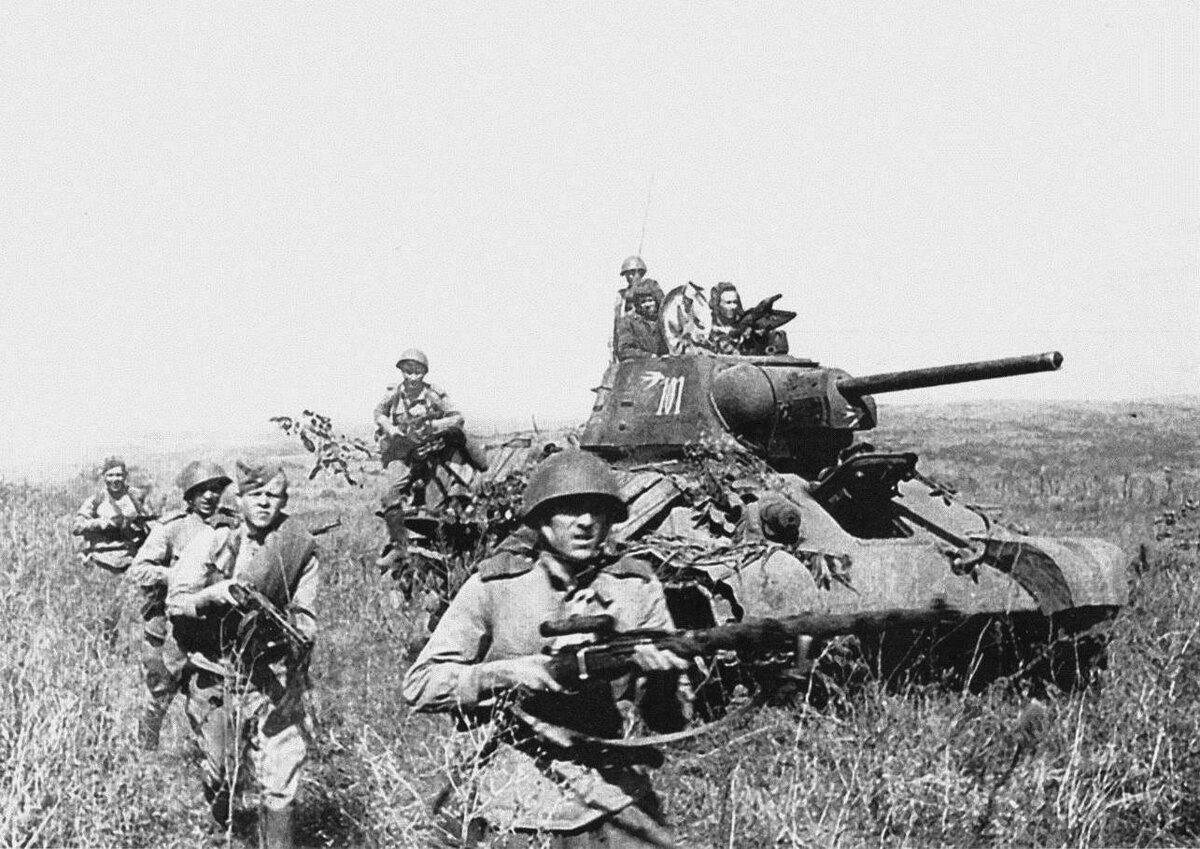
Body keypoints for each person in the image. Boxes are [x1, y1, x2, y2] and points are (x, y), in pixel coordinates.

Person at [403, 449, 689, 847]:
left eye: (597, 510)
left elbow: (669, 721)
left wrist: (663, 678)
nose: (586, 522)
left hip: (612, 791)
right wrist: (503, 673)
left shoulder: (636, 588)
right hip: (517, 797)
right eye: (570, 509)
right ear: (542, 519)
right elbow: (420, 684)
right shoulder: (496, 586)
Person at [165, 461, 318, 848]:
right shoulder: (215, 539)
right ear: (242, 498)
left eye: (274, 496)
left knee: (281, 773)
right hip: (215, 671)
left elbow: (306, 612)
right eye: (256, 495)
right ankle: (223, 829)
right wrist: (213, 596)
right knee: (220, 770)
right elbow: (176, 603)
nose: (265, 502)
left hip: (270, 672)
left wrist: (297, 632)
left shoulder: (297, 546)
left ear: (284, 500)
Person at [128, 460, 234, 750]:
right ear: (190, 495)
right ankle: (145, 752)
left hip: (209, 630)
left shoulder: (229, 527)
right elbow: (139, 570)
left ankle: (209, 756)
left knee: (208, 695)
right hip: (169, 631)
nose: (210, 496)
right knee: (160, 693)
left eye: (215, 489)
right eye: (202, 490)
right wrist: (176, 575)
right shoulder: (172, 528)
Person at [372, 348, 485, 573]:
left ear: (424, 373)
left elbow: (457, 418)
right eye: (408, 371)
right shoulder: (394, 394)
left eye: (418, 372)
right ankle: (400, 546)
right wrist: (391, 429)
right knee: (389, 496)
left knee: (435, 508)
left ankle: (443, 557)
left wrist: (433, 426)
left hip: (433, 454)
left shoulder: (433, 394)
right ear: (401, 371)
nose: (413, 377)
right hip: (405, 453)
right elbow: (379, 413)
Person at [71, 456, 154, 646]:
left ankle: (129, 649)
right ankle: (101, 647)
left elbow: (152, 521)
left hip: (131, 563)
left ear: (125, 476)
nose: (115, 479)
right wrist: (105, 524)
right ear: (104, 477)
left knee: (133, 613)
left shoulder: (136, 497)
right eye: (110, 475)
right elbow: (77, 526)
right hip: (102, 563)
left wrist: (138, 525)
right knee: (103, 611)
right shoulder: (97, 499)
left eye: (119, 475)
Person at [615, 278, 667, 360]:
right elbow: (624, 350)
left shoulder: (665, 321)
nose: (647, 305)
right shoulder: (629, 322)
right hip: (642, 365)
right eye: (643, 302)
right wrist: (649, 356)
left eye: (650, 300)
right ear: (638, 304)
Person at [660, 281, 713, 355]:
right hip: (679, 346)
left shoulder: (698, 304)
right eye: (687, 300)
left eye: (690, 301)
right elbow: (674, 330)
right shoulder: (674, 308)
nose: (688, 302)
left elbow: (701, 324)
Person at [612, 255, 649, 358]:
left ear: (641, 273)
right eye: (627, 274)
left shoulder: (650, 290)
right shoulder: (622, 295)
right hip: (628, 336)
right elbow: (618, 320)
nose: (630, 277)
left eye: (633, 273)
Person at [708, 281, 744, 354]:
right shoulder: (708, 328)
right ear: (718, 304)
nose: (733, 307)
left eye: (735, 302)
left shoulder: (744, 326)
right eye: (728, 303)